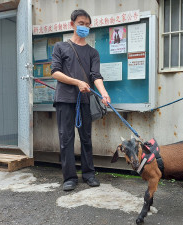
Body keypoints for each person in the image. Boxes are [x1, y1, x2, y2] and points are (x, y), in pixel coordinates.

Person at [51, 9, 110, 191]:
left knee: (86, 138)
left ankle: (89, 174)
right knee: (66, 139)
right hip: (64, 100)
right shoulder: (60, 47)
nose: (84, 26)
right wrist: (77, 82)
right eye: (80, 23)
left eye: (87, 24)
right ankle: (69, 178)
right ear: (72, 24)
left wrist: (104, 93)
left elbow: (96, 76)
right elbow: (55, 72)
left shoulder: (93, 53)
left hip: (84, 100)